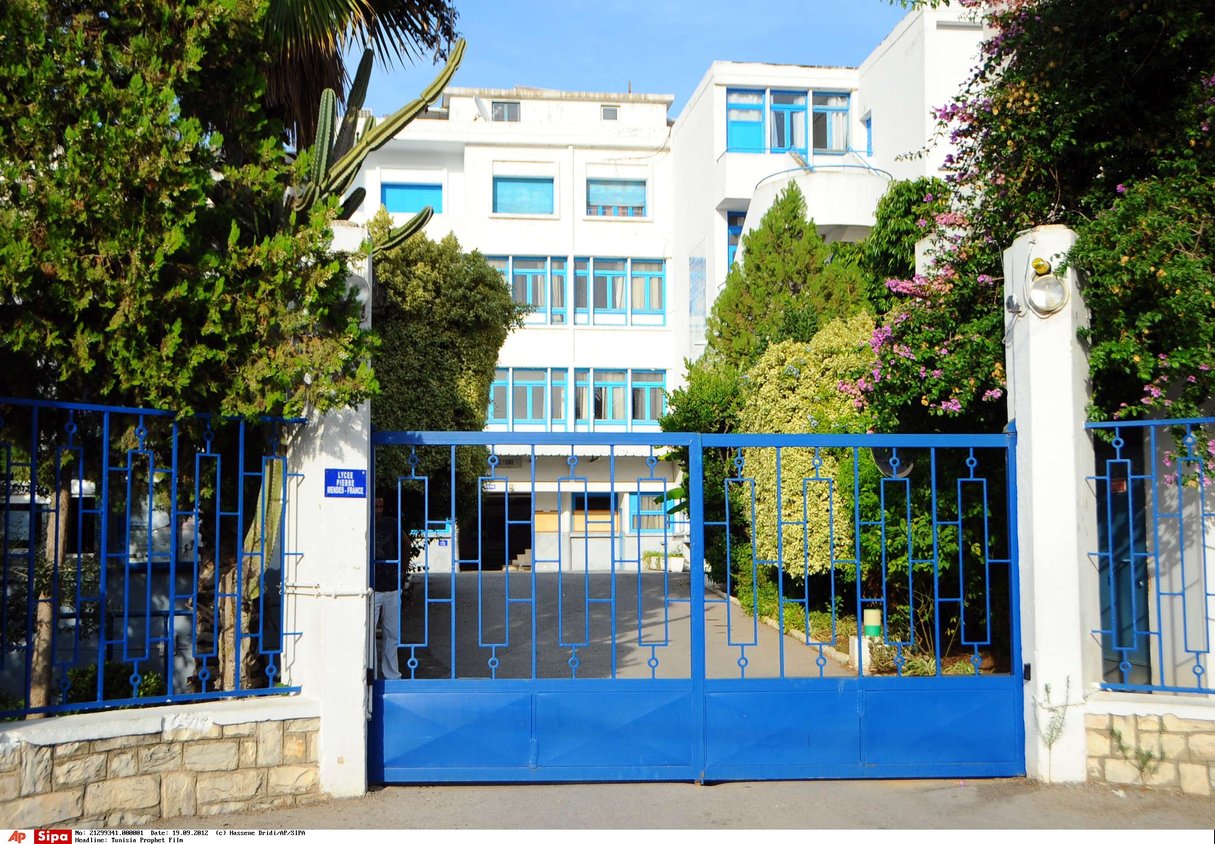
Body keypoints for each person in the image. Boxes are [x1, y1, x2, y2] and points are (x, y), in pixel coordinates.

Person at [372, 495, 402, 680]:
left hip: (391, 586)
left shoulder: (391, 524)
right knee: (368, 634)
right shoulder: (364, 521)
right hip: (372, 588)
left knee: (392, 634)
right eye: (375, 506)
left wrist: (402, 570)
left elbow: (405, 544)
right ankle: (371, 675)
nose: (378, 510)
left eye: (381, 506)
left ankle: (392, 675)